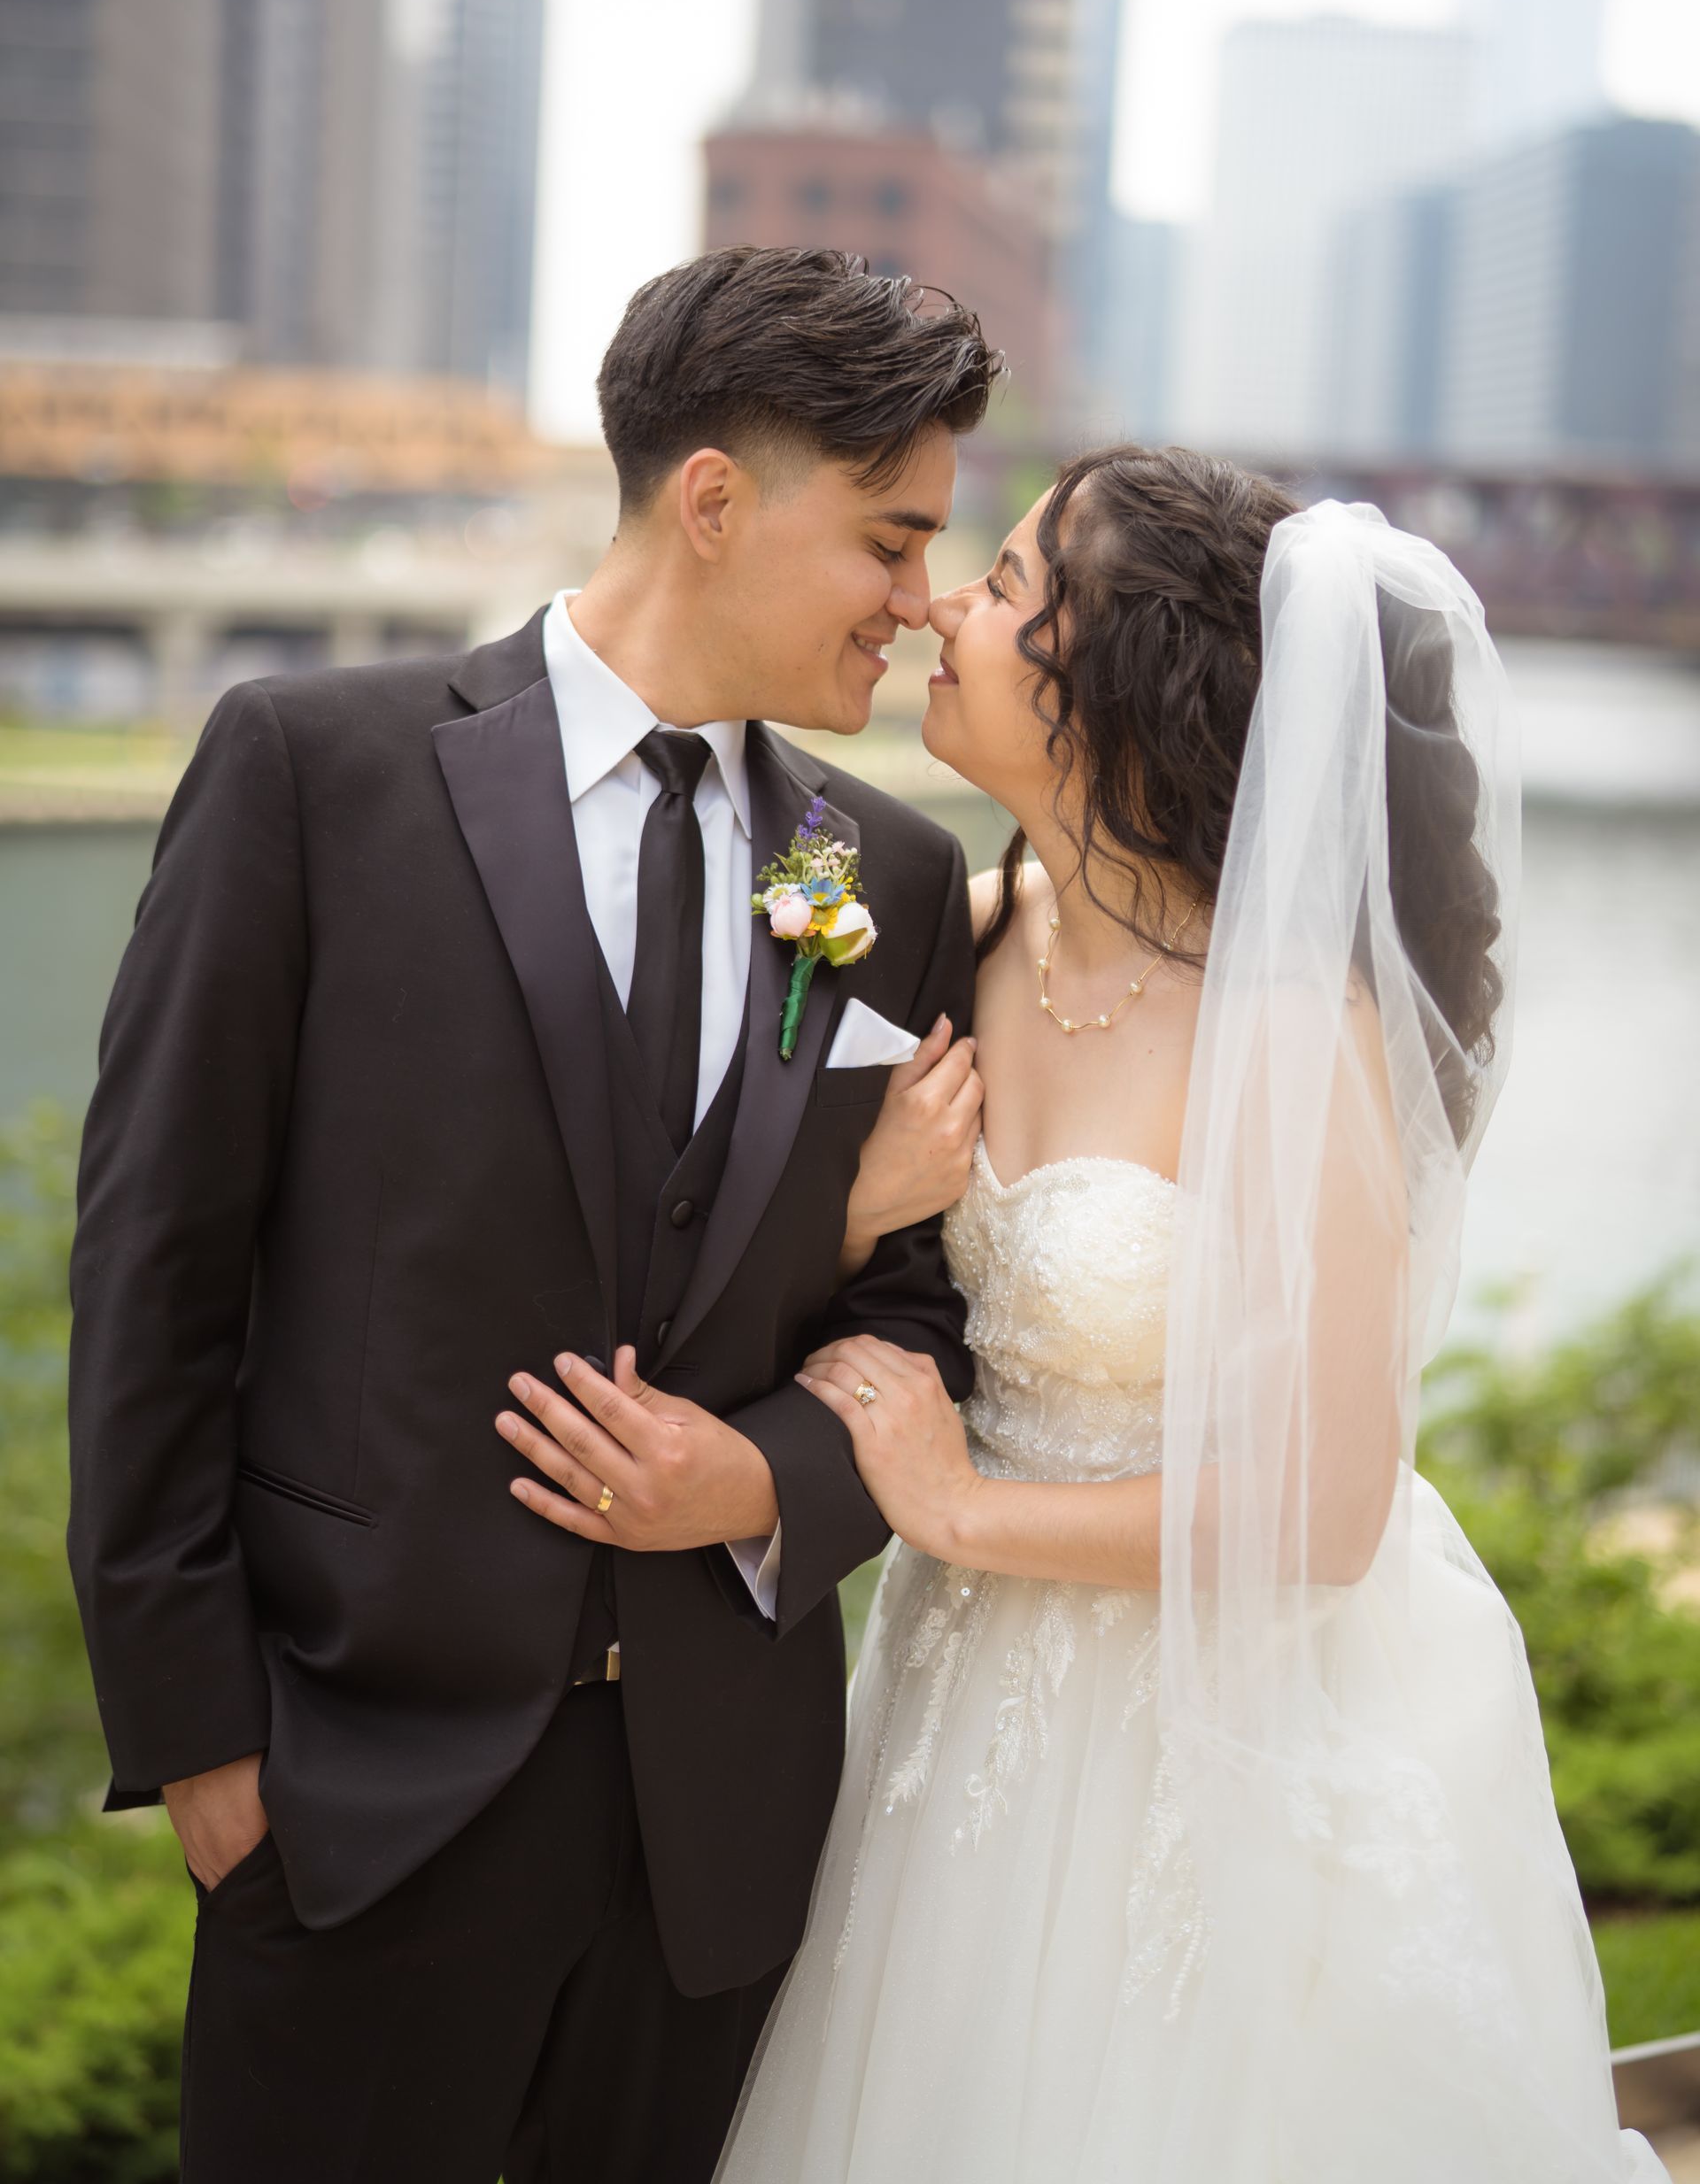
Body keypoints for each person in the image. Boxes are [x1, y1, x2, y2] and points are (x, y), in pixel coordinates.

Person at [66, 246, 1001, 2183]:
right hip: (357, 1789)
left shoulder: (891, 876)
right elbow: (160, 1276)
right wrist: (210, 1751)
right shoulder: (308, 775)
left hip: (720, 1833)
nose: (921, 608)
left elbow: (927, 1320)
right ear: (715, 501)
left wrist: (763, 1486)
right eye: (894, 542)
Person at [715, 449, 1666, 2183]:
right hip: (959, 1702)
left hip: (1222, 1720)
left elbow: (1322, 1512)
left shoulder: (1298, 1032)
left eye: (1003, 588)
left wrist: (954, 1508)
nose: (941, 603)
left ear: (1123, 683)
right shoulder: (973, 936)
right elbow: (833, 1275)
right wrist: (859, 1209)